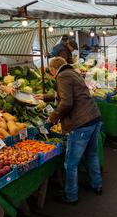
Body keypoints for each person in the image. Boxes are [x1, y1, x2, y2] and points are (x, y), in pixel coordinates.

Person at [35, 57, 103, 205]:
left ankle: (71, 196)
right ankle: (96, 185)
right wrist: (46, 97)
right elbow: (69, 94)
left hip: (81, 123)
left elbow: (66, 102)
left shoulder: (62, 76)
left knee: (70, 163)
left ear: (53, 69)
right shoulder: (73, 73)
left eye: (50, 70)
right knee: (91, 155)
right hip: (94, 118)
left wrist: (52, 118)